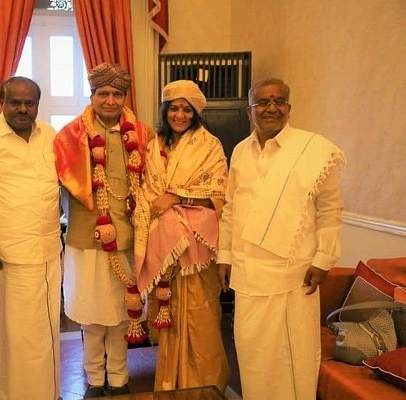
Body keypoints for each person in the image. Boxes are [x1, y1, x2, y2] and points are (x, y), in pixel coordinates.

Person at [217, 78, 346, 400]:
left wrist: (323, 259)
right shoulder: (241, 152)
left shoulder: (313, 150)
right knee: (253, 352)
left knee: (295, 353)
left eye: (278, 101)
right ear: (250, 111)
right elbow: (231, 208)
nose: (270, 108)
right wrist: (225, 256)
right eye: (262, 102)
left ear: (288, 108)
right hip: (248, 274)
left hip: (295, 274)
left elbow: (330, 209)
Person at [54, 62, 153, 398]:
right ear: (93, 95)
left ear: (125, 97)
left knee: (123, 314)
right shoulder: (70, 135)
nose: (110, 100)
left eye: (117, 94)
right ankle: (95, 380)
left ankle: (120, 377)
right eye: (103, 93)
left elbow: (155, 180)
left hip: (129, 239)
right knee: (92, 317)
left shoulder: (142, 134)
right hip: (86, 239)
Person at [0, 77, 62, 400]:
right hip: (5, 256)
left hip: (48, 251)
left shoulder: (48, 134)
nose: (22, 108)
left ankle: (46, 394)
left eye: (29, 103)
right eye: (15, 102)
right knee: (11, 337)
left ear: (37, 104)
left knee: (44, 334)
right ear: (1, 100)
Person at [133, 80, 230, 394]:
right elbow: (147, 191)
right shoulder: (153, 144)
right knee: (169, 316)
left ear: (196, 113)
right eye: (174, 108)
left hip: (196, 246)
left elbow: (219, 194)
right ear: (165, 110)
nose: (180, 114)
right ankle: (170, 383)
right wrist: (161, 219)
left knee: (200, 316)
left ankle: (205, 386)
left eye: (187, 109)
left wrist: (176, 197)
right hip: (163, 243)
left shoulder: (209, 145)